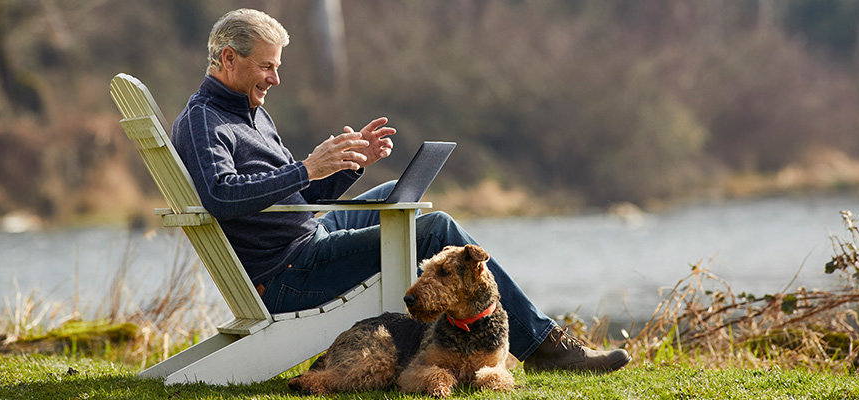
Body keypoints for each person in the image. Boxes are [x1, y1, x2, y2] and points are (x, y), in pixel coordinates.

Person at [170, 8, 629, 373]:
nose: (275, 78)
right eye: (266, 66)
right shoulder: (205, 121)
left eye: (277, 66)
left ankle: (517, 341)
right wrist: (307, 168)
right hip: (287, 270)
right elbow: (221, 195)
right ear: (228, 58)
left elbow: (294, 197)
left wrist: (349, 166)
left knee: (395, 193)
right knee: (433, 229)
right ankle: (544, 346)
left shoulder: (250, 113)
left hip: (306, 235)